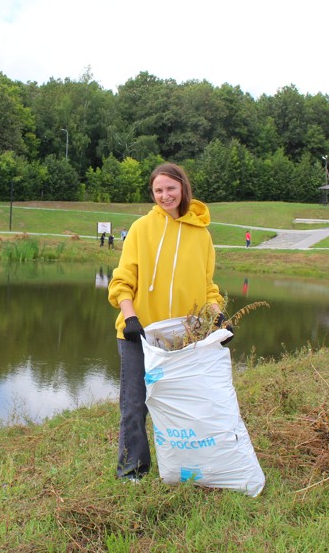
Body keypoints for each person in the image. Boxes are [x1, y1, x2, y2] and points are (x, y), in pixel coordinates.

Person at [107, 162, 232, 482]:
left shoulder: (201, 236)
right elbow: (122, 280)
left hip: (182, 338)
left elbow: (207, 287)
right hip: (139, 334)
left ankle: (189, 467)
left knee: (184, 407)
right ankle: (132, 471)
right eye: (158, 190)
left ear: (183, 189)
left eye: (171, 189)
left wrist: (218, 318)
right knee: (135, 406)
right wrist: (130, 316)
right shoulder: (140, 229)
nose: (165, 195)